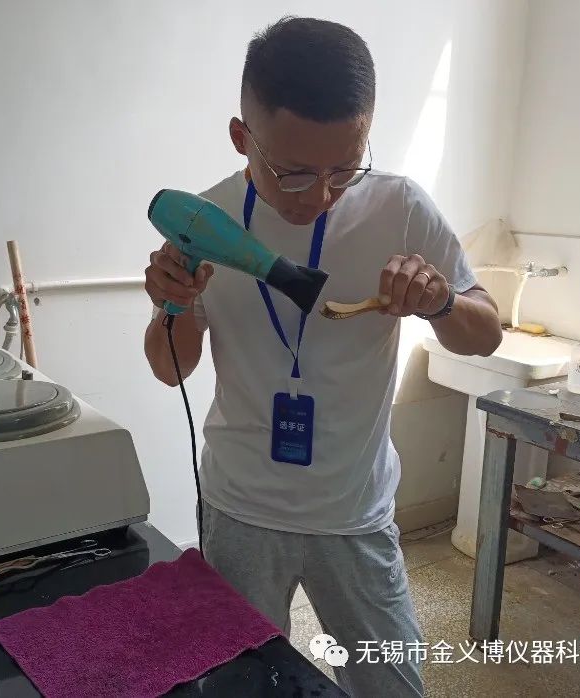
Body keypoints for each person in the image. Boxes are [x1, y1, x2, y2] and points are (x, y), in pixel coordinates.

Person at [143, 16, 502, 697]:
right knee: (244, 686)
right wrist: (176, 302)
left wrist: (440, 303)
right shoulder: (207, 220)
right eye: (296, 172)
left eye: (345, 167)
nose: (323, 194)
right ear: (242, 138)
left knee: (392, 688)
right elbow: (170, 369)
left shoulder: (401, 208)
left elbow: (485, 336)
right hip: (241, 511)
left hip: (355, 511)